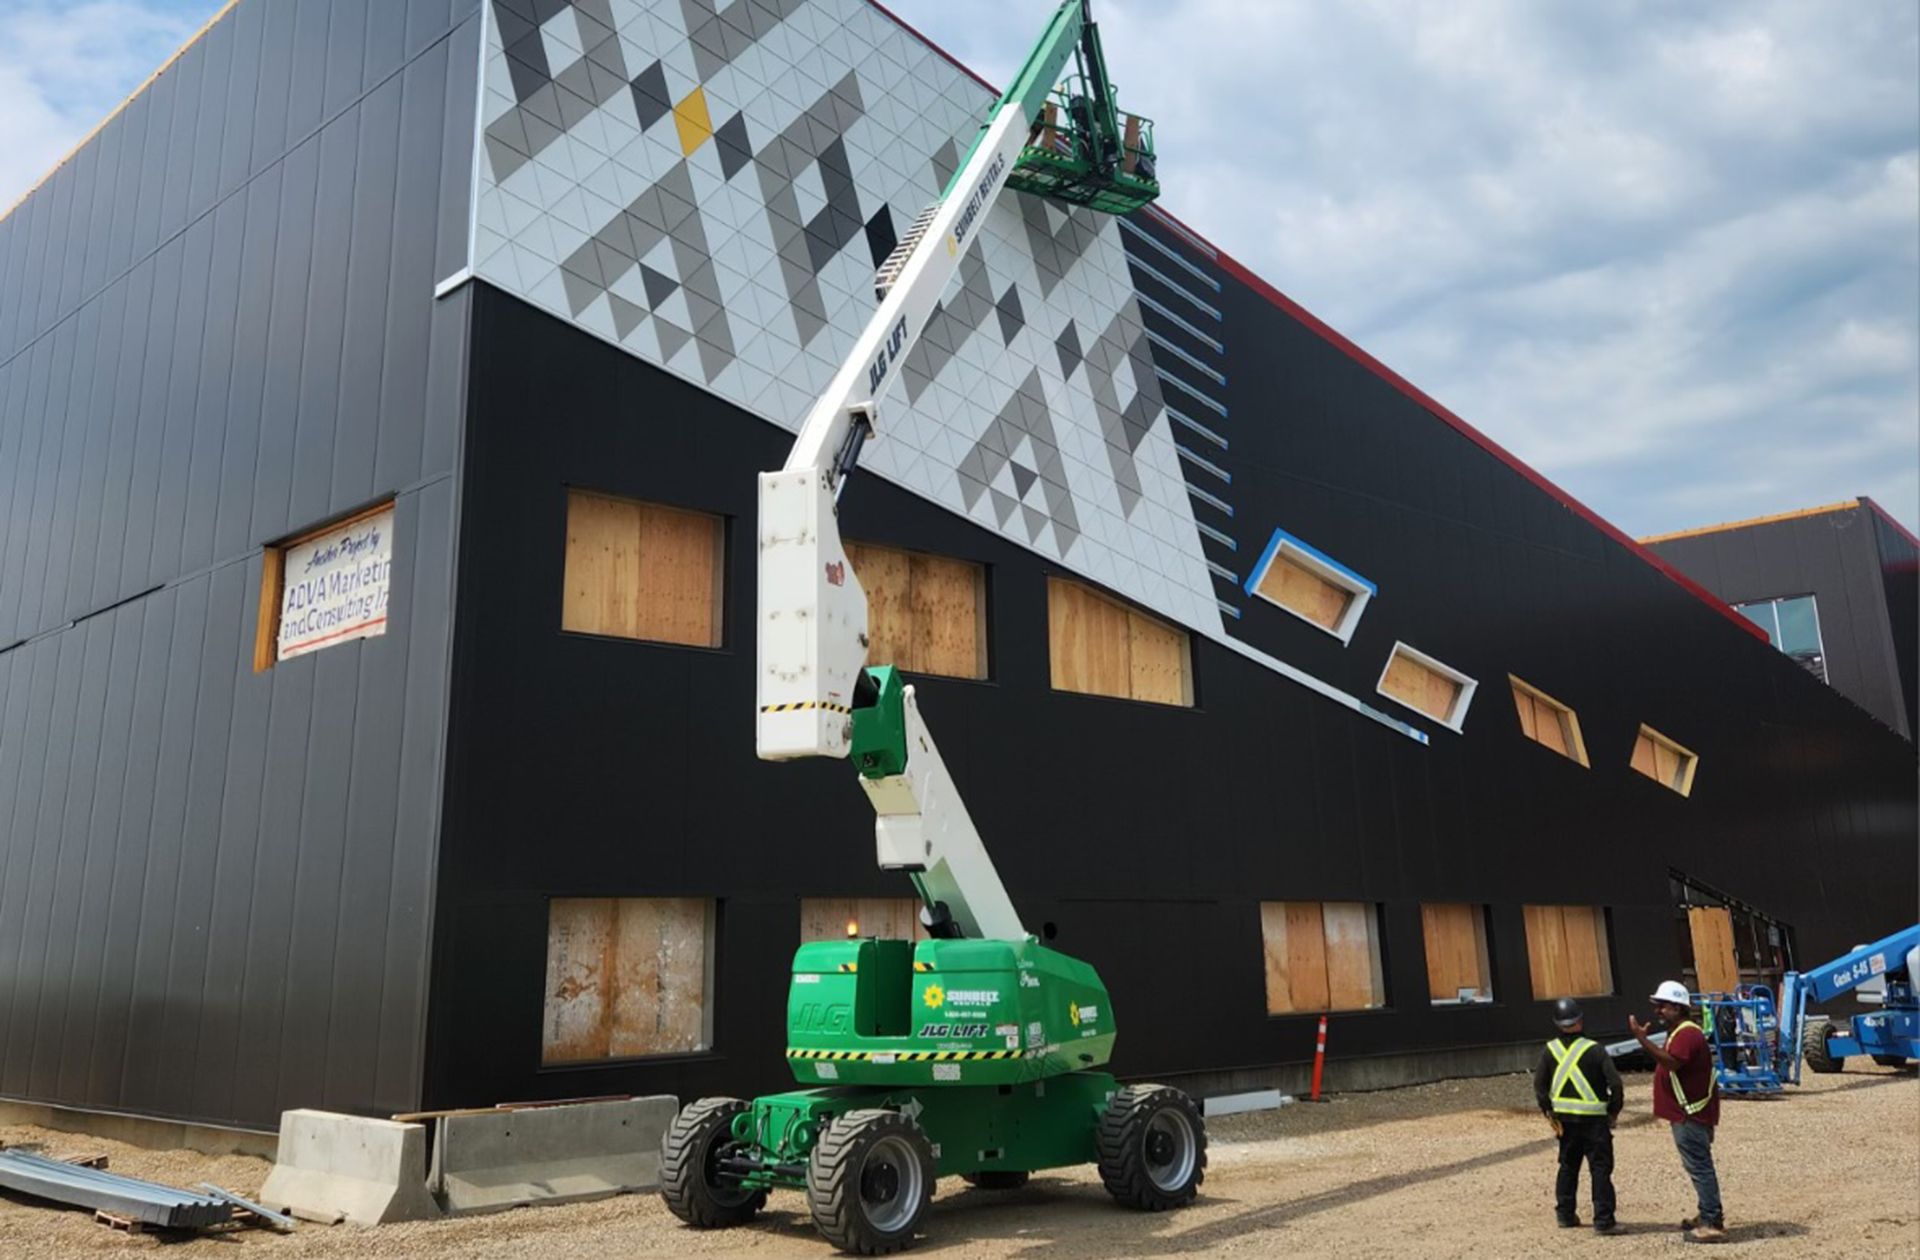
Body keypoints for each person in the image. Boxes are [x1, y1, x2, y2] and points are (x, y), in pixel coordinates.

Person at [1630, 980, 1726, 1244]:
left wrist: (1642, 1040)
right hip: (1689, 1114)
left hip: (1690, 1116)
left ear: (1678, 1007)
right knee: (1697, 1166)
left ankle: (1712, 1222)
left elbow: (1671, 1063)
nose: (1658, 1011)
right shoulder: (1682, 1032)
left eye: (1663, 1006)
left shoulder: (1686, 1034)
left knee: (1700, 1167)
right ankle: (1706, 1212)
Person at [1533, 996, 1624, 1234]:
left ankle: (1565, 1214)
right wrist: (1613, 1111)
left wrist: (1549, 1112)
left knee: (1568, 1167)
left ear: (1557, 1023)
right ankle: (1603, 1221)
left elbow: (1540, 1086)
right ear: (1580, 1021)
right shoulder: (1595, 1050)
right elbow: (1615, 1084)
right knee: (1600, 1170)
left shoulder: (1549, 1051)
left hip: (1566, 1122)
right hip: (1595, 1122)